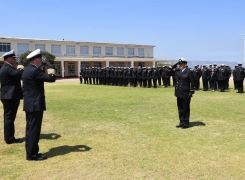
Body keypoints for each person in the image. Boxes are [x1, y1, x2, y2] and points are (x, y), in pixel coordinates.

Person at [22, 49, 56, 161]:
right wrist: (49, 65)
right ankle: (32, 155)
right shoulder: (35, 71)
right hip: (35, 104)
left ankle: (31, 152)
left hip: (30, 103)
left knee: (30, 129)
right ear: (36, 60)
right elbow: (51, 78)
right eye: (41, 59)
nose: (42, 61)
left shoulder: (27, 69)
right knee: (34, 130)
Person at [0, 50, 24, 144]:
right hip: (10, 97)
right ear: (9, 59)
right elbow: (18, 73)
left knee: (9, 118)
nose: (15, 60)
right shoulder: (7, 67)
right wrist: (21, 65)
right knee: (9, 118)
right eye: (14, 58)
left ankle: (9, 137)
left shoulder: (6, 67)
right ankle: (10, 138)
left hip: (9, 96)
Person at [171, 58, 195, 129]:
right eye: (179, 64)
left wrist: (191, 91)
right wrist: (175, 65)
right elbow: (168, 72)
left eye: (181, 64)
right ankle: (181, 122)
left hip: (186, 93)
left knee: (185, 108)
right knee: (180, 108)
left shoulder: (189, 72)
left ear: (185, 64)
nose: (180, 65)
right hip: (178, 92)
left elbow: (193, 82)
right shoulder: (177, 71)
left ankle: (186, 123)